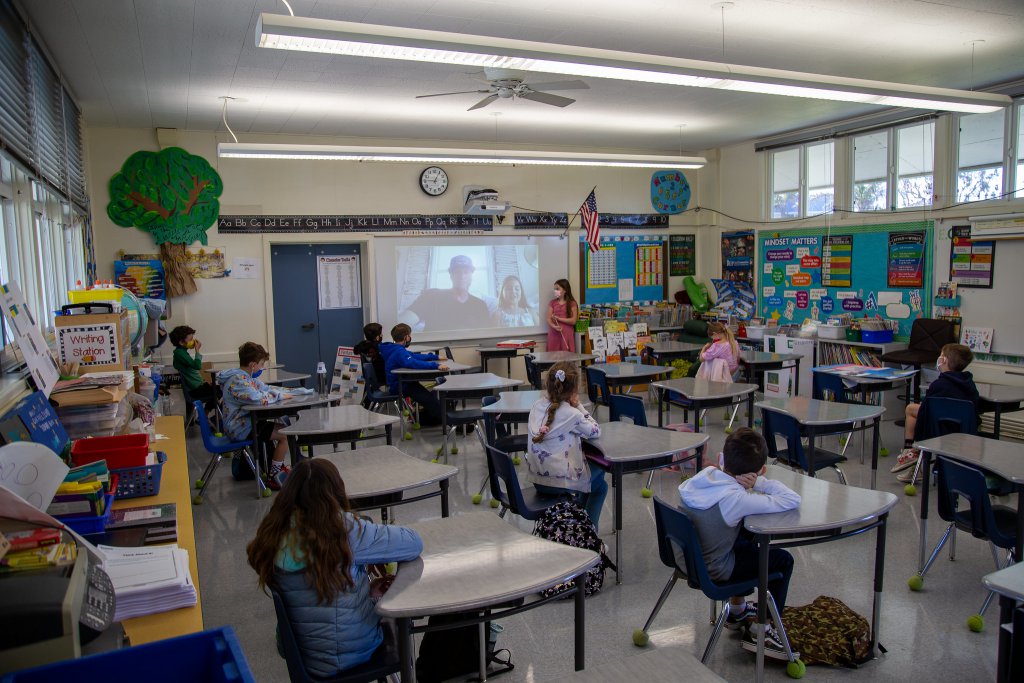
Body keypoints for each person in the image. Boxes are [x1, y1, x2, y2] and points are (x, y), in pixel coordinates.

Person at [246, 458, 423, 678]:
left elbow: (314, 596)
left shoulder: (273, 533)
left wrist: (365, 591)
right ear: (336, 491)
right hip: (351, 653)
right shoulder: (342, 530)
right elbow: (413, 542)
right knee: (405, 612)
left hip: (305, 657)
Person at [678, 428, 801, 660]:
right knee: (783, 560)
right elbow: (792, 500)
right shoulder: (738, 499)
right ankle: (762, 631)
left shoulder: (701, 478)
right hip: (716, 569)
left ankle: (736, 611)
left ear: (722, 458)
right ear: (760, 470)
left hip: (690, 560)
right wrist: (761, 482)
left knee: (744, 536)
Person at [526, 361, 606, 529]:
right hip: (559, 484)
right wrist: (578, 406)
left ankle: (578, 529)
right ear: (574, 390)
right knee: (601, 484)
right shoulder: (573, 414)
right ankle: (589, 535)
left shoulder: (536, 406)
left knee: (592, 484)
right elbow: (595, 430)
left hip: (537, 479)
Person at [891, 343, 980, 484]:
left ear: (943, 361)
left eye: (941, 356)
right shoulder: (969, 383)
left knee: (910, 409)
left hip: (937, 430)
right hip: (963, 432)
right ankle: (913, 457)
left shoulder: (938, 385)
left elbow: (927, 411)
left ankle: (911, 452)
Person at [218, 342, 297, 490]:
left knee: (282, 429)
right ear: (253, 365)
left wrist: (289, 392)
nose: (262, 368)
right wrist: (279, 396)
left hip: (242, 424)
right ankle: (275, 476)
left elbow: (265, 389)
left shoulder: (243, 377)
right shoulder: (239, 381)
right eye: (261, 364)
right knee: (285, 434)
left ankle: (275, 470)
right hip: (239, 428)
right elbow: (257, 398)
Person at [379, 323, 447, 427]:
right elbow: (412, 363)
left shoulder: (395, 349)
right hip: (401, 386)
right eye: (410, 335)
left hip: (404, 383)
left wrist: (434, 357)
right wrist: (435, 366)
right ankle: (450, 422)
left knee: (430, 398)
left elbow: (414, 356)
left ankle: (435, 418)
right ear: (406, 337)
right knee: (430, 400)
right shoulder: (398, 351)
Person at [399, 255, 489, 331]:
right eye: (457, 272)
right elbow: (405, 321)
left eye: (466, 272)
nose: (462, 276)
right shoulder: (431, 296)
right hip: (433, 350)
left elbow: (484, 336)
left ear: (471, 276)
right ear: (451, 275)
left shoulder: (480, 305)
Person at [169, 325, 217, 413]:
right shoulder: (179, 353)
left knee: (219, 389)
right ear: (181, 342)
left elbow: (192, 374)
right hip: (195, 391)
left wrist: (204, 382)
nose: (194, 342)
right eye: (190, 339)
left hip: (197, 387)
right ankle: (206, 413)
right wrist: (197, 350)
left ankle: (208, 414)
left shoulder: (182, 352)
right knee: (221, 392)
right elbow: (197, 366)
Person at [546, 279, 578, 351]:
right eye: (554, 289)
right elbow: (548, 318)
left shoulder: (572, 303)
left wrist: (559, 319)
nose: (555, 291)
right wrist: (554, 326)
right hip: (554, 333)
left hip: (567, 334)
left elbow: (573, 321)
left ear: (565, 290)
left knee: (566, 357)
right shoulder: (552, 303)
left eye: (557, 289)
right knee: (553, 357)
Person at [354, 323, 386, 388]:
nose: (382, 335)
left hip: (370, 377)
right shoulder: (379, 347)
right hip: (381, 377)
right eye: (381, 334)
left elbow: (355, 350)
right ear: (377, 337)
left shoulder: (362, 345)